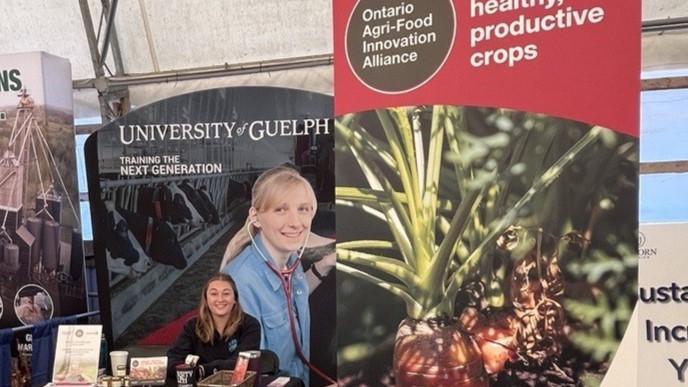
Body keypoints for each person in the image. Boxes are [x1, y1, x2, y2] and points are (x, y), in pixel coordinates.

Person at [220, 166, 335, 385]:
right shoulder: (240, 283)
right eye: (281, 210)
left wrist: (324, 265)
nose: (295, 222)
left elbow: (289, 299)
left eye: (303, 209)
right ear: (255, 216)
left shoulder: (289, 259)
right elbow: (252, 376)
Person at [167, 273, 260, 379]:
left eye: (226, 294)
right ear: (206, 299)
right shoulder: (191, 326)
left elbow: (242, 364)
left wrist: (202, 370)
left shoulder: (250, 325)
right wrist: (192, 371)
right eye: (214, 294)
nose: (220, 299)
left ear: (235, 299)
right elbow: (172, 360)